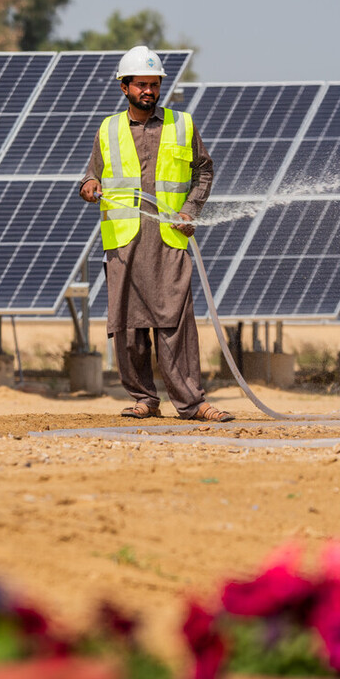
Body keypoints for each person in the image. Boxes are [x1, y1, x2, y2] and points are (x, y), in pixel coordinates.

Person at [78, 46, 234, 422]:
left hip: (168, 242)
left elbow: (204, 171)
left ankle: (192, 404)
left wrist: (190, 210)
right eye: (141, 85)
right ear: (124, 87)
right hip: (124, 244)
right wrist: (88, 185)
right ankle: (144, 399)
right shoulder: (108, 129)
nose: (148, 91)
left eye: (154, 84)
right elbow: (91, 175)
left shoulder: (183, 124)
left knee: (175, 325)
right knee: (128, 327)